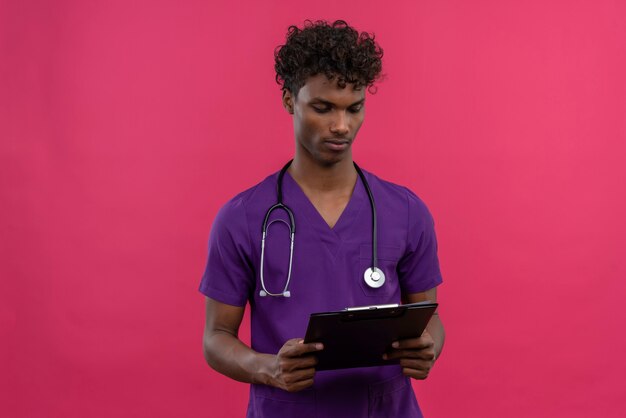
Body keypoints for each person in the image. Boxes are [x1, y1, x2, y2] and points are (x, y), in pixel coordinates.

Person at [200, 20, 445, 417]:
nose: (341, 126)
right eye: (323, 107)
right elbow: (215, 337)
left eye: (355, 108)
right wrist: (266, 368)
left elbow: (431, 321)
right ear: (288, 99)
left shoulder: (405, 211)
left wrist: (427, 348)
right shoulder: (242, 218)